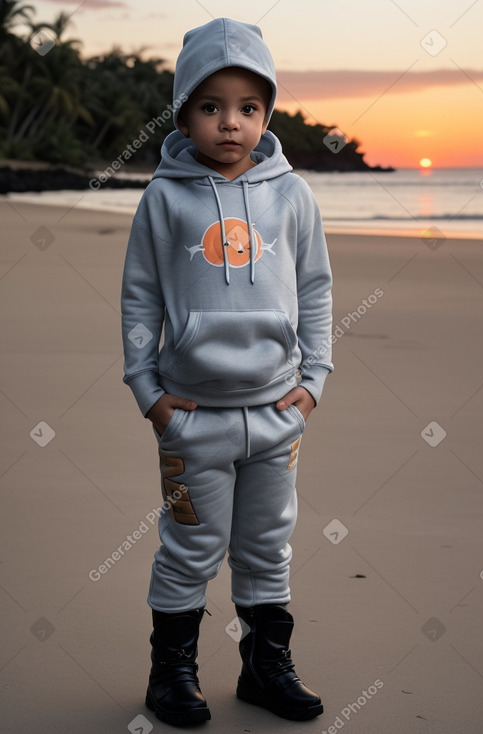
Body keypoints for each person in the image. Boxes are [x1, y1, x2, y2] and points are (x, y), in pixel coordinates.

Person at [121, 17, 333, 728]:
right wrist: (148, 392)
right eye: (210, 107)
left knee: (267, 547)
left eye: (248, 107)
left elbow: (315, 290)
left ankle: (265, 667)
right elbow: (140, 296)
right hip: (192, 418)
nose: (230, 123)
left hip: (276, 415)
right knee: (188, 547)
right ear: (183, 114)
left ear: (267, 113)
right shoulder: (164, 197)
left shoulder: (291, 195)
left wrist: (314, 382)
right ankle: (171, 673)